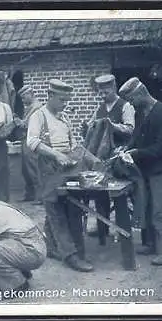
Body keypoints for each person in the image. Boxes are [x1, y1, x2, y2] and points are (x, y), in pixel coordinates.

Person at [26, 79, 95, 272]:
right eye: (62, 99)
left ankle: (53, 247)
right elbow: (31, 142)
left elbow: (72, 143)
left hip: (67, 168)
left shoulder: (64, 117)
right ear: (51, 96)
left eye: (67, 100)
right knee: (56, 211)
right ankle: (71, 255)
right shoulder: (38, 116)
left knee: (70, 207)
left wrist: (74, 154)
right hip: (49, 168)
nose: (65, 104)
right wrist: (56, 154)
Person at [118, 77, 162, 266]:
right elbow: (136, 137)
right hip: (146, 167)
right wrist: (126, 148)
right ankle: (149, 243)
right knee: (146, 205)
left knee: (159, 210)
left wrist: (136, 153)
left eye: (131, 99)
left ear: (140, 94)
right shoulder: (140, 112)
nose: (131, 104)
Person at [82, 74, 136, 241]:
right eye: (100, 93)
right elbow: (92, 127)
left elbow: (130, 129)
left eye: (105, 93)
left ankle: (123, 232)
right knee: (99, 194)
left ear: (113, 88)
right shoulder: (99, 109)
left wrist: (111, 126)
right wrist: (87, 127)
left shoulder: (126, 106)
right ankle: (102, 231)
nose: (102, 96)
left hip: (119, 158)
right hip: (102, 159)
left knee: (119, 195)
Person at [17, 85, 44, 203]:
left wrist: (18, 122)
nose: (23, 101)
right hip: (26, 141)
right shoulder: (31, 107)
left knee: (34, 168)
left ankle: (40, 196)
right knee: (26, 169)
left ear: (31, 94)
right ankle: (30, 194)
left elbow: (27, 124)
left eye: (24, 98)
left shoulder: (36, 107)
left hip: (32, 141)